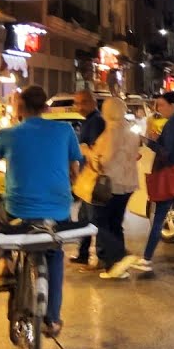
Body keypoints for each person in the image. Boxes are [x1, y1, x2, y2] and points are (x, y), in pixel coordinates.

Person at [0, 86, 82, 337]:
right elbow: (74, 169)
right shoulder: (65, 130)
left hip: (19, 210)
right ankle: (53, 320)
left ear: (19, 108)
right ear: (46, 108)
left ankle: (4, 261)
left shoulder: (6, 134)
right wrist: (73, 186)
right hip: (57, 211)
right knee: (55, 254)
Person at [133, 92, 174, 273]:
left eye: (161, 105)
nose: (158, 109)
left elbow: (165, 152)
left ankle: (146, 259)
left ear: (173, 105)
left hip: (171, 177)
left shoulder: (173, 125)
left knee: (158, 219)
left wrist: (148, 141)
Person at [85, 97, 141, 280]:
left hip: (111, 183)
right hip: (127, 183)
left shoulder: (112, 131)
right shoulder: (130, 129)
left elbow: (105, 160)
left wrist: (89, 152)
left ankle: (119, 257)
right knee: (115, 223)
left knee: (100, 222)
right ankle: (116, 267)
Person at [71, 91, 104, 267]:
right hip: (87, 178)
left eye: (83, 102)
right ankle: (83, 253)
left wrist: (83, 149)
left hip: (93, 178)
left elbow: (94, 152)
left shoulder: (96, 122)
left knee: (93, 218)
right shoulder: (89, 122)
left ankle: (99, 256)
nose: (79, 106)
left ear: (94, 102)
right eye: (77, 103)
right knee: (85, 217)